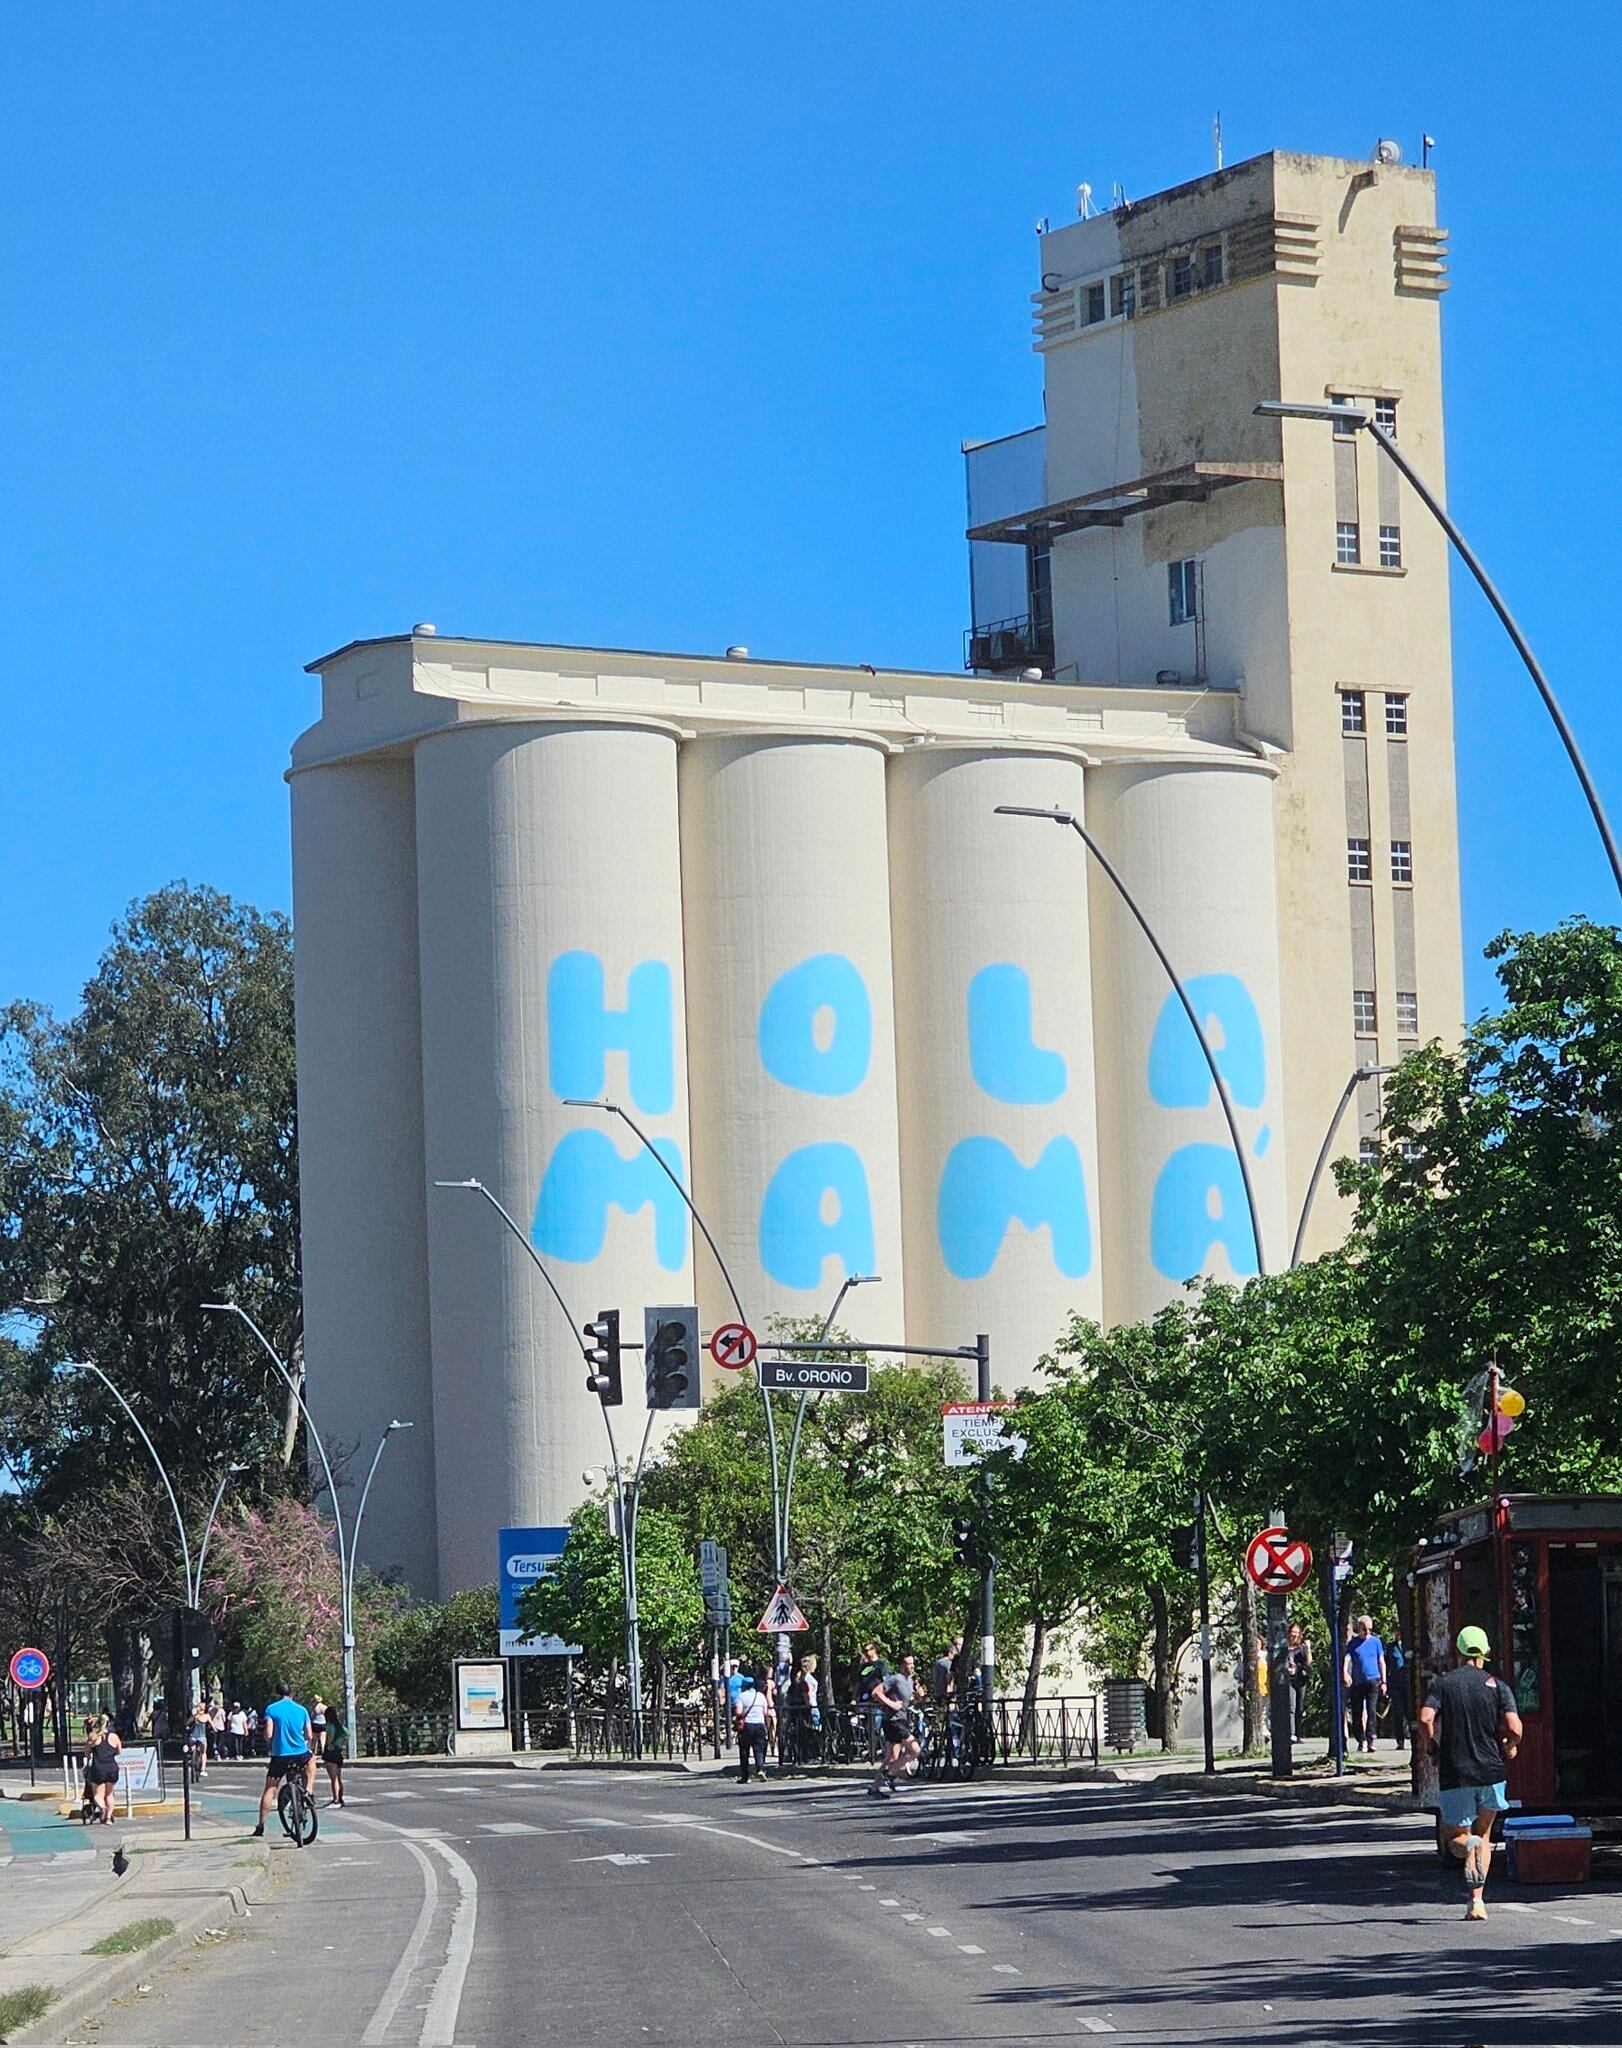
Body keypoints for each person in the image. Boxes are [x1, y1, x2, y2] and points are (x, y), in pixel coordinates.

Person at [1418, 1624, 1523, 1922]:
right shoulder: (1498, 1685)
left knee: (1456, 1838)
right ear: (1485, 1652)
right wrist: (1508, 1746)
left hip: (1456, 1772)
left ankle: (1470, 1845)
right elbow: (1516, 1729)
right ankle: (1476, 1901)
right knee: (1484, 1834)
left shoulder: (1443, 1684)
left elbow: (1426, 1718)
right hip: (1491, 1773)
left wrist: (1431, 1746)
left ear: (1459, 1651)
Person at [252, 1685, 316, 1837]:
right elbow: (309, 1734)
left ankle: (261, 1825)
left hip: (280, 1755)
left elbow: (268, 1733)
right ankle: (309, 1790)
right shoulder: (302, 1710)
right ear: (291, 1694)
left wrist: (271, 1739)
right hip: (300, 1754)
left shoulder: (271, 1709)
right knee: (312, 1762)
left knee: (270, 1788)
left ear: (277, 1695)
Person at [869, 1652, 921, 1798]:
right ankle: (889, 1773)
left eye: (912, 1663)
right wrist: (892, 1704)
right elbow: (876, 1692)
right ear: (902, 1665)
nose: (912, 1666)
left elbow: (918, 1696)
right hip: (893, 1721)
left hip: (901, 1720)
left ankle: (875, 1787)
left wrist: (918, 1689)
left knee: (892, 1756)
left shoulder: (910, 1680)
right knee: (915, 1749)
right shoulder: (895, 1679)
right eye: (908, 1663)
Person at [1343, 1615, 1387, 1754]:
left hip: (1373, 1680)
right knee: (1357, 1712)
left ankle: (1371, 1739)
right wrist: (1345, 1672)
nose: (1367, 1631)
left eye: (1369, 1629)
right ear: (1358, 1628)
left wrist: (1384, 1682)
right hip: (1357, 1682)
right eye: (1364, 1629)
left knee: (1371, 1710)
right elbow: (1347, 1658)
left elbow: (1381, 1661)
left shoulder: (1376, 1642)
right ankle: (1360, 1739)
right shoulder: (1353, 1643)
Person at [734, 1667, 772, 1783]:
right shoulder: (760, 1696)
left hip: (747, 1726)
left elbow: (738, 1712)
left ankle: (745, 1776)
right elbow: (765, 1712)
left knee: (744, 1750)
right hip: (759, 1725)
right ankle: (760, 1768)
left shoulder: (741, 1697)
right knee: (759, 1749)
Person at [856, 1641, 888, 1762]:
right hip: (864, 1701)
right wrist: (855, 1698)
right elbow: (858, 1684)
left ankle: (875, 1753)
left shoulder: (880, 1664)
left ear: (874, 1650)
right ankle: (871, 1751)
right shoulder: (863, 1667)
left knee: (875, 1727)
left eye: (868, 1650)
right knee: (866, 1728)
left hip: (876, 1702)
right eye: (864, 1651)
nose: (866, 1653)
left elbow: (885, 1681)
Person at [87, 1720, 122, 1824]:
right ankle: (108, 1818)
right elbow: (119, 1751)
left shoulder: (94, 1736)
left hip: (98, 1768)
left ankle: (103, 1808)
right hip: (111, 1767)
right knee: (110, 1794)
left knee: (98, 1795)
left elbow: (87, 1752)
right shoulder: (114, 1736)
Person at [1285, 1625, 1312, 1739]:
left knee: (1299, 1708)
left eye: (1297, 1633)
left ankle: (1299, 1733)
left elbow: (1309, 1662)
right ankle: (1292, 1733)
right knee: (1291, 1706)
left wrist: (1309, 1648)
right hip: (1289, 1680)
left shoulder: (1302, 1647)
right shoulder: (1284, 1647)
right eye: (1292, 1632)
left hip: (1301, 1679)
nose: (1294, 1635)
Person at [1386, 1624, 1410, 1749]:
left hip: (1409, 1683)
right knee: (1398, 1713)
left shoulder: (1409, 1646)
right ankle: (1400, 1740)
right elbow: (1386, 1664)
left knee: (1409, 1712)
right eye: (1396, 1632)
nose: (1398, 1634)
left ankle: (1412, 1737)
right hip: (1396, 1684)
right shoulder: (1391, 1647)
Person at [321, 1698, 347, 1807]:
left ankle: (335, 1799)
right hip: (338, 1752)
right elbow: (346, 1734)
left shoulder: (330, 1726)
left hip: (331, 1752)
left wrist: (328, 1745)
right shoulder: (340, 1726)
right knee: (339, 1777)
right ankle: (340, 1798)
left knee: (333, 1778)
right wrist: (340, 1744)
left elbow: (329, 1737)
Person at [933, 1635, 963, 1705]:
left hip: (938, 1693)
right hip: (946, 1696)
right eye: (960, 1645)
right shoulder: (949, 1663)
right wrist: (950, 1695)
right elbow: (949, 1678)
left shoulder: (938, 1662)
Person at [188, 1702, 211, 1779]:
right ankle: (202, 1770)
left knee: (192, 1746)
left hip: (193, 1737)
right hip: (202, 1737)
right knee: (203, 1753)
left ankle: (191, 1755)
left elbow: (187, 1723)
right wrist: (215, 1730)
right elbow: (212, 1725)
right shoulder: (206, 1716)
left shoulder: (194, 1716)